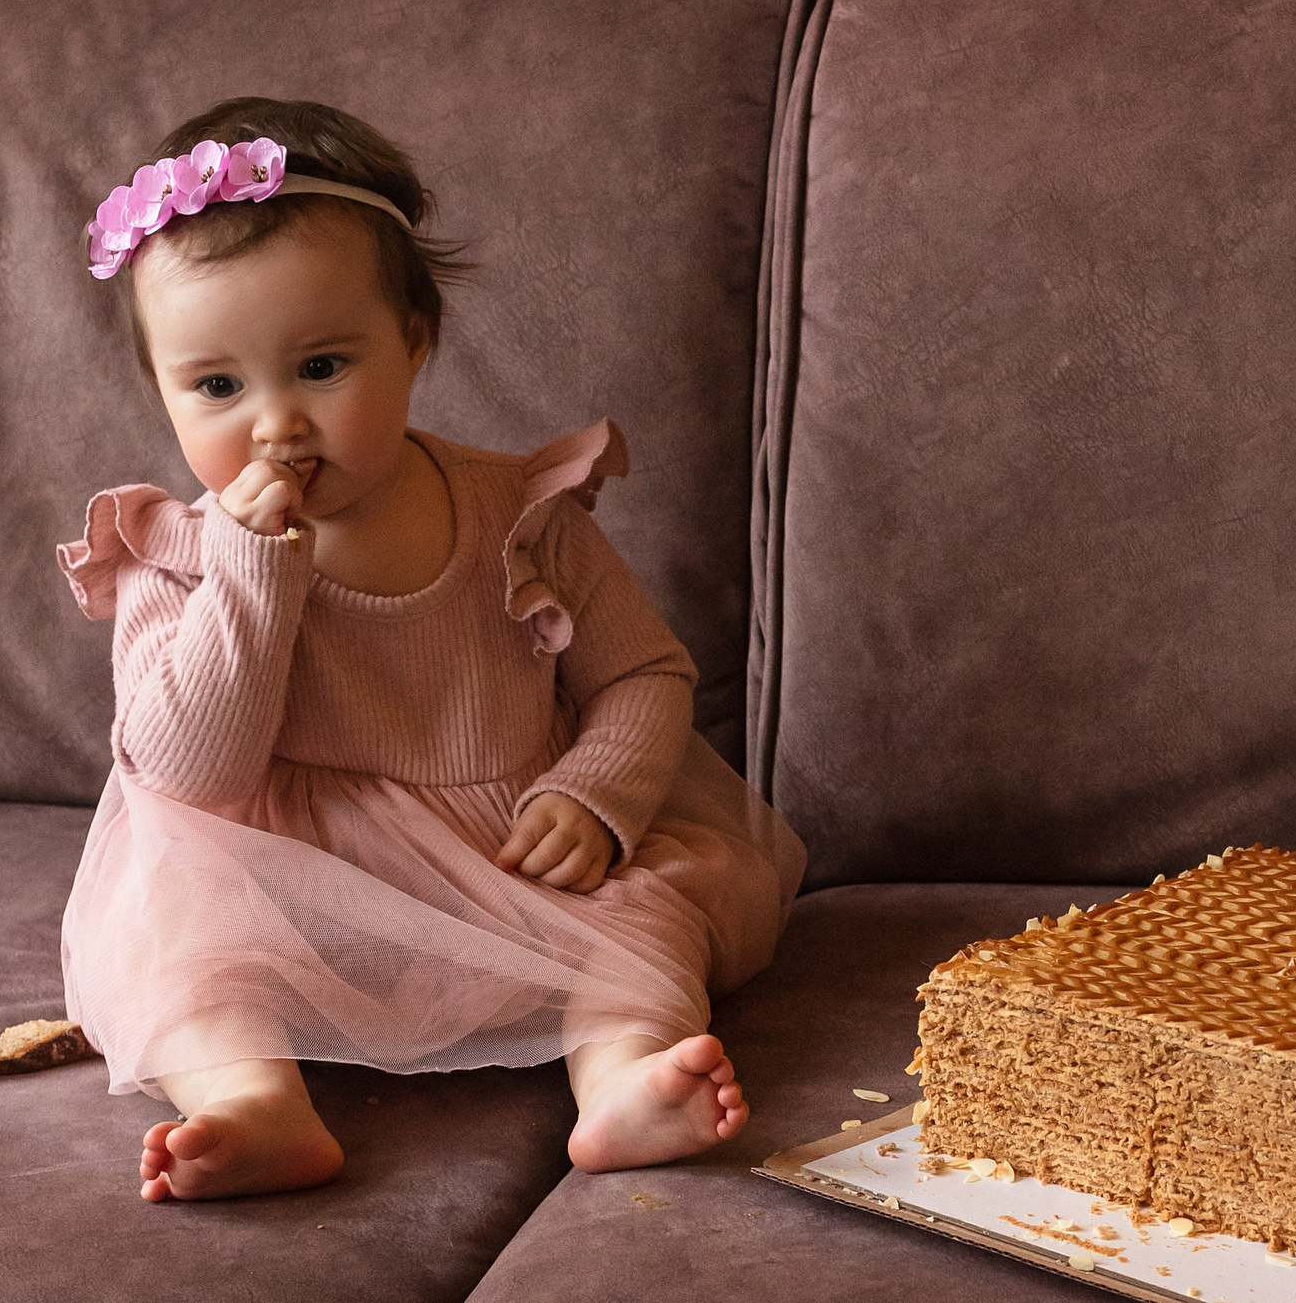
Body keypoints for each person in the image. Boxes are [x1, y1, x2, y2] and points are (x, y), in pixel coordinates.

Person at [57, 97, 806, 1202]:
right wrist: (252, 571)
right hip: (285, 880)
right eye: (217, 385)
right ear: (164, 389)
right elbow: (185, 775)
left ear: (414, 339)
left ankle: (621, 1078)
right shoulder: (173, 559)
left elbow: (643, 675)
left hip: (512, 856)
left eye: (320, 365)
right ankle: (250, 1101)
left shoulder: (522, 515)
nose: (275, 424)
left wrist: (597, 794)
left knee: (640, 922)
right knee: (177, 943)